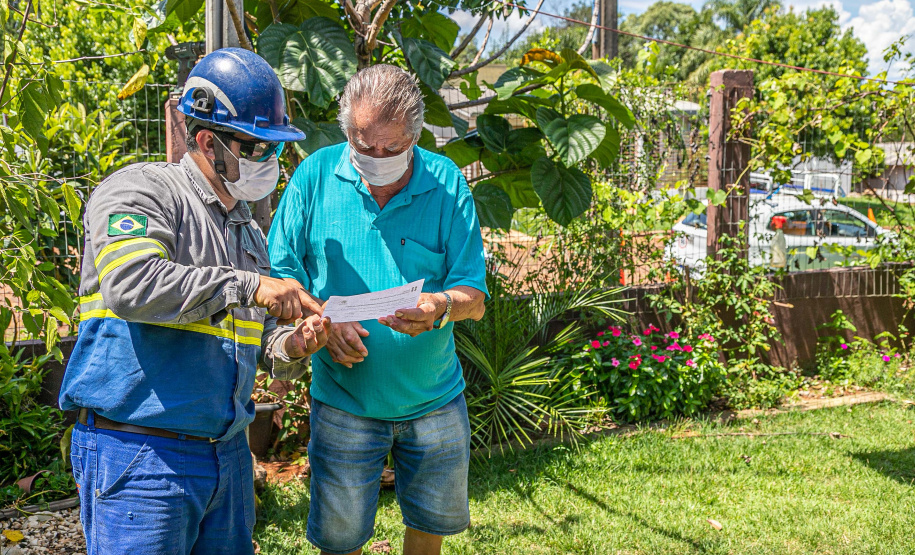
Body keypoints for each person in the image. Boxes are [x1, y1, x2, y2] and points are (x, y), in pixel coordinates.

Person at [58, 48, 328, 554]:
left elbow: (257, 339)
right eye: (256, 147)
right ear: (207, 140)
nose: (268, 161)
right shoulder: (141, 191)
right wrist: (249, 286)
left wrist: (293, 345)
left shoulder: (248, 231)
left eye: (274, 148)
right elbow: (133, 283)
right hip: (141, 453)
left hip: (227, 456)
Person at [268, 64, 488, 555]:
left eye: (392, 148)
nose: (378, 157)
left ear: (414, 135)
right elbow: (280, 275)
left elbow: (474, 295)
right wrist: (322, 318)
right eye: (364, 145)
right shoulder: (315, 175)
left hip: (435, 399)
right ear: (348, 130)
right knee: (340, 539)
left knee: (430, 528)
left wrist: (441, 306)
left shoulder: (446, 183)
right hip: (345, 401)